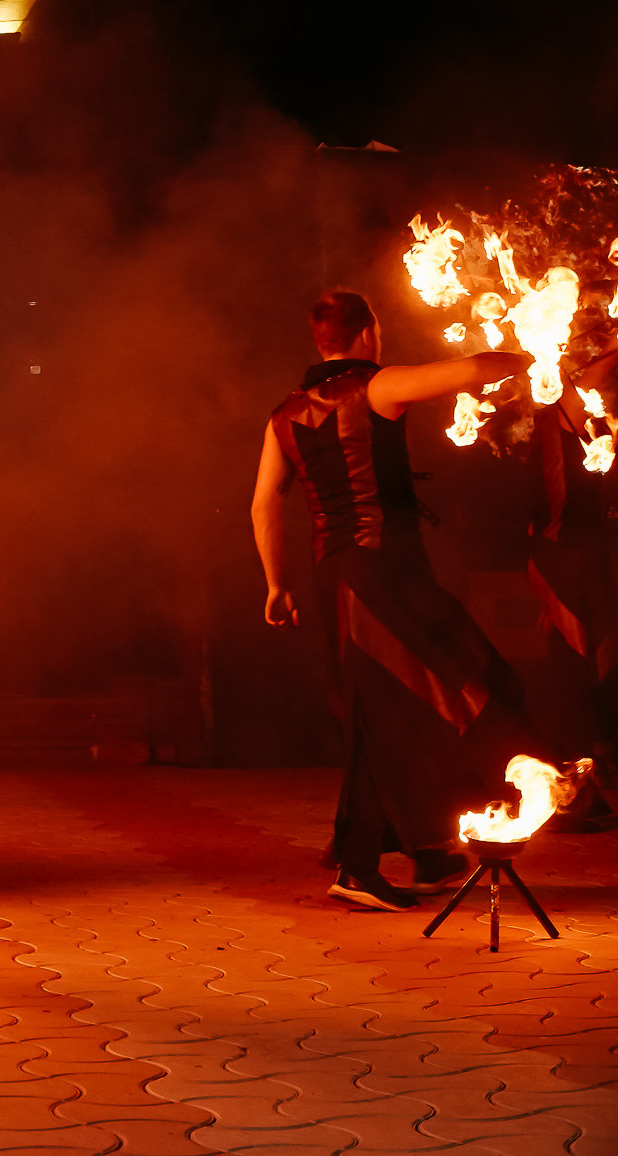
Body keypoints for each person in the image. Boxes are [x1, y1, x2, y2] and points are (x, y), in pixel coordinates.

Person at [252, 290, 534, 911]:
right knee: (450, 693)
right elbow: (469, 370)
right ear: (367, 334)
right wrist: (529, 352)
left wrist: (276, 583)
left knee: (393, 709)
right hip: (379, 577)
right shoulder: (377, 387)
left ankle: (426, 851)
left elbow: (263, 505)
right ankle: (358, 867)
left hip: (341, 575)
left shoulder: (284, 416)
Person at [525, 348, 618, 826]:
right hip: (564, 558)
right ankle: (574, 795)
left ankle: (586, 789)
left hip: (575, 557)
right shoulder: (559, 407)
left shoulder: (574, 419)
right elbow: (596, 376)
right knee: (581, 673)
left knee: (595, 667)